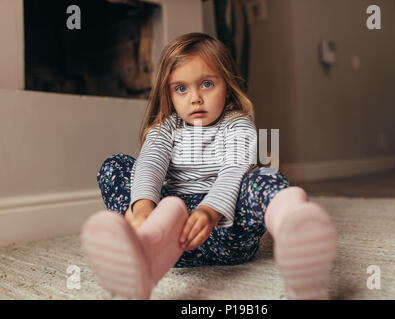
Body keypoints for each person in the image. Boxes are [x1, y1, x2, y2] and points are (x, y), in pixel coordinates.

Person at [80, 32, 338, 300]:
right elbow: (150, 164)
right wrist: (144, 211)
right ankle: (142, 255)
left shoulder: (237, 124)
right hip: (169, 237)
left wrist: (208, 212)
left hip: (226, 234)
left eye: (206, 84)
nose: (195, 98)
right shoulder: (166, 127)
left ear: (226, 86)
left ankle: (296, 236)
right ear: (168, 94)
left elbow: (233, 171)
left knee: (265, 176)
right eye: (181, 88)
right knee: (115, 166)